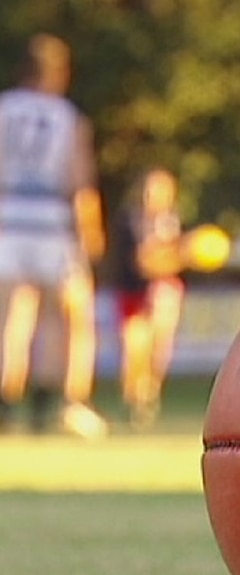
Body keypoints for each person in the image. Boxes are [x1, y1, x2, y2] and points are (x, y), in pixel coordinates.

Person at [0, 34, 107, 435]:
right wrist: (91, 234)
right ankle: (52, 405)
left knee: (10, 318)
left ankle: (6, 402)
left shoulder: (4, 109)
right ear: (58, 72)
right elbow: (80, 181)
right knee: (61, 320)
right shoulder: (66, 116)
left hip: (8, 219)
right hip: (52, 222)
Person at [113, 168, 184, 428]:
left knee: (159, 348)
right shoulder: (130, 222)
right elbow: (141, 263)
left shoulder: (174, 222)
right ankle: (134, 400)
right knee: (135, 349)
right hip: (134, 292)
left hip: (165, 291)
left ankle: (149, 396)